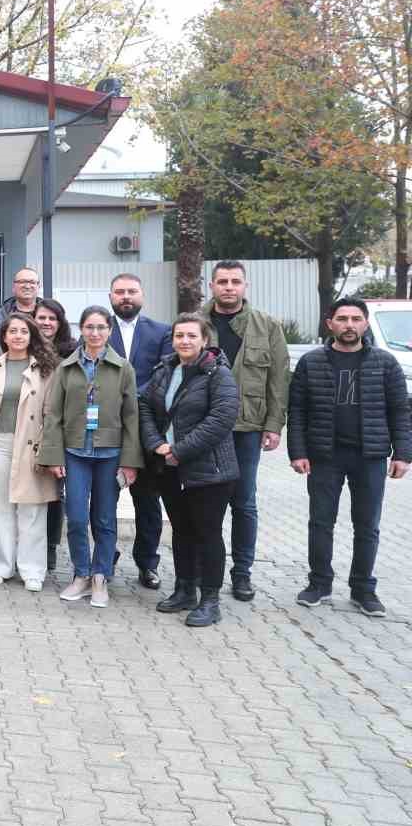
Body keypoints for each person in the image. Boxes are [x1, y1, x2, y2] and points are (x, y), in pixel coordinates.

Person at [289, 298, 411, 617]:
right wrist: (298, 451)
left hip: (369, 456)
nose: (349, 324)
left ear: (365, 324)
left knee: (367, 525)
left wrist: (403, 454)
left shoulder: (385, 363)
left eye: (356, 318)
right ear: (330, 324)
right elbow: (297, 410)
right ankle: (319, 584)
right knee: (320, 523)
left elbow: (401, 410)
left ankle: (363, 589)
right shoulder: (311, 362)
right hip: (324, 456)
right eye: (342, 318)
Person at [140, 313, 239, 627]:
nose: (184, 341)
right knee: (181, 530)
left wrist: (178, 450)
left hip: (209, 470)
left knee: (208, 533)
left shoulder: (218, 374)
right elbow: (144, 405)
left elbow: (221, 419)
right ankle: (184, 589)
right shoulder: (166, 369)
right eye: (179, 335)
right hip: (169, 468)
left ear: (204, 340)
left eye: (191, 336)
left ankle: (210, 598)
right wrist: (157, 444)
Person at [43, 305, 142, 609]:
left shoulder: (123, 368)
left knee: (104, 518)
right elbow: (54, 414)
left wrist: (130, 461)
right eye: (89, 327)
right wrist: (53, 456)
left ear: (109, 331)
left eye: (101, 327)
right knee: (75, 516)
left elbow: (132, 417)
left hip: (109, 453)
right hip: (75, 452)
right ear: (81, 329)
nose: (95, 333)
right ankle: (81, 574)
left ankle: (101, 576)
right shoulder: (66, 367)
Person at [202, 261, 290, 602]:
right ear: (211, 285)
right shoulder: (196, 322)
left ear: (245, 286)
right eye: (222, 281)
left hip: (247, 428)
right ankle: (203, 570)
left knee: (244, 503)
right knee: (205, 502)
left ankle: (242, 574)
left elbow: (278, 380)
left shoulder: (266, 326)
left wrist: (274, 426)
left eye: (235, 281)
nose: (228, 287)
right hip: (204, 428)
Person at [0, 312, 59, 590]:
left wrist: (50, 450)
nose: (17, 336)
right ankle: (1, 565)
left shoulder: (46, 368)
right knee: (0, 506)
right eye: (12, 331)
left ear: (31, 336)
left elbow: (52, 412)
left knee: (32, 508)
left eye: (23, 332)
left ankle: (33, 571)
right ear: (4, 336)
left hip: (31, 444)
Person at [107, 272, 173, 589]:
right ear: (111, 296)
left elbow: (164, 372)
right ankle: (106, 557)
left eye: (132, 291)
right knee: (104, 499)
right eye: (120, 292)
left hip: (147, 431)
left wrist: (131, 397)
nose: (126, 297)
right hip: (108, 429)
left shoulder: (161, 332)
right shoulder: (97, 329)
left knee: (147, 502)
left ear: (142, 295)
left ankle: (147, 563)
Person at [34, 296, 75, 571]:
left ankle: (49, 547)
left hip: (58, 427)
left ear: (60, 323)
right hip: (26, 426)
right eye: (42, 317)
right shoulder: (24, 346)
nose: (47, 322)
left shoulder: (71, 352)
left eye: (52, 318)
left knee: (53, 491)